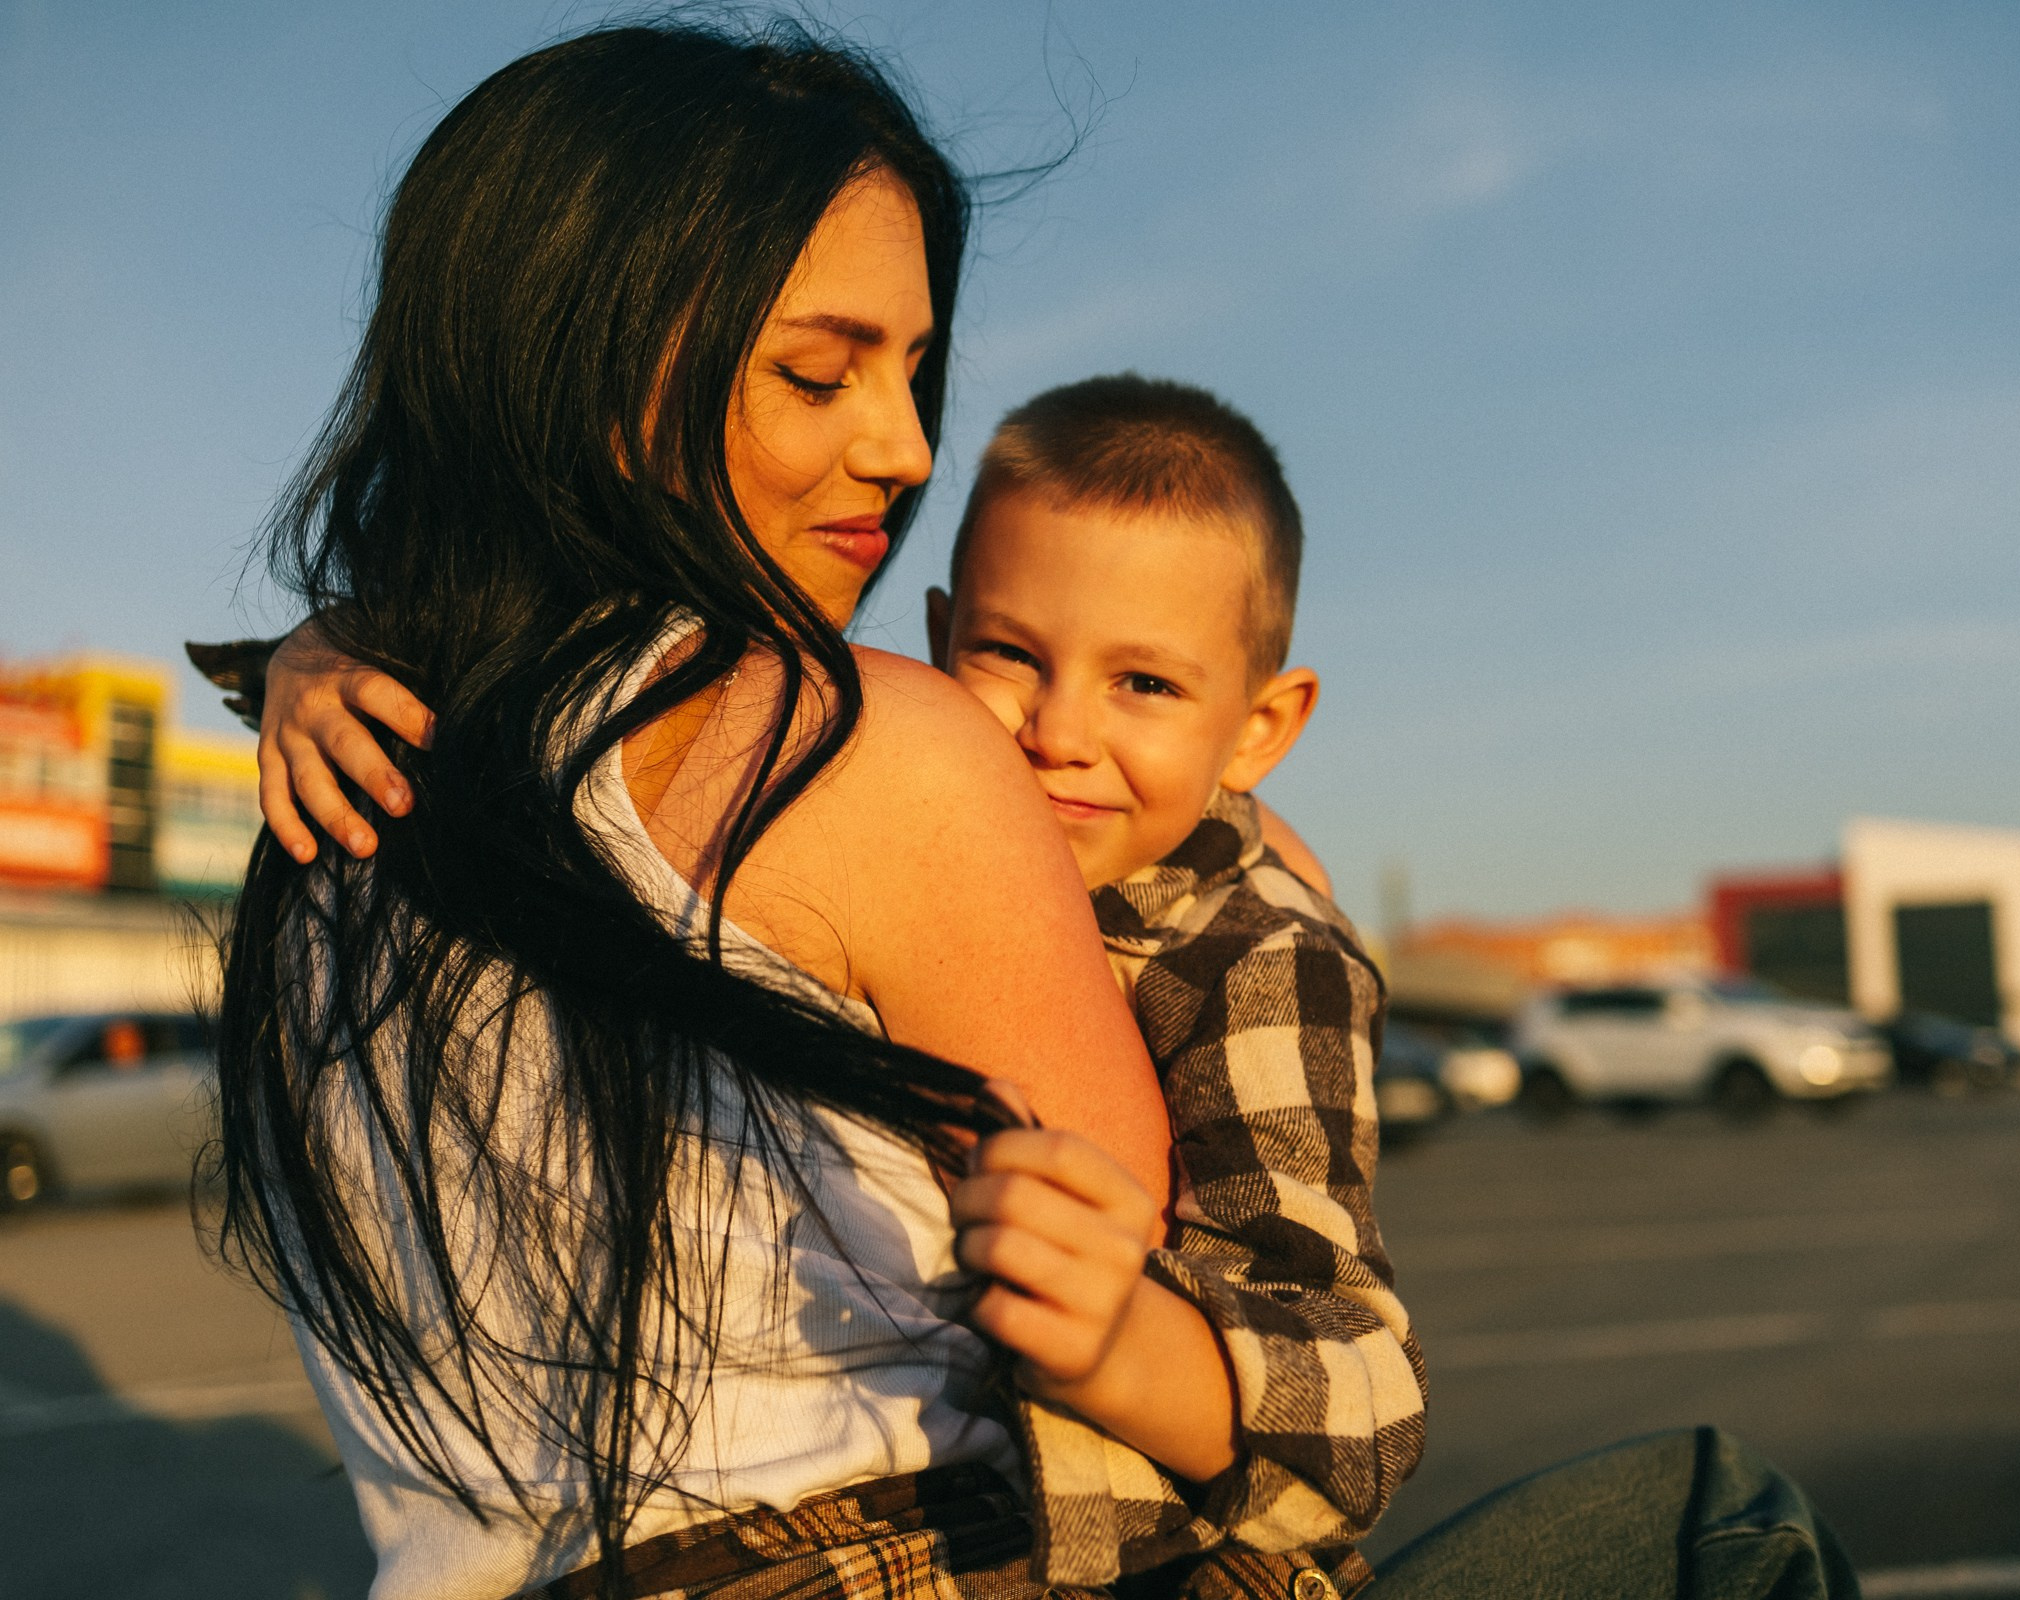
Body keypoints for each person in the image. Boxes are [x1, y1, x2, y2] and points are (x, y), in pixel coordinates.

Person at [201, 22, 1280, 1600]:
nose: (904, 451)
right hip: (900, 1563)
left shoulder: (326, 815)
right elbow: (1134, 1271)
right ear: (569, 345)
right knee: (1703, 1513)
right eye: (815, 371)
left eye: (913, 369)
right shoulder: (866, 746)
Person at [230, 372, 1437, 1594]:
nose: (1059, 728)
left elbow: (1359, 1395)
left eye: (1146, 684)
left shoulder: (1259, 952)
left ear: (1261, 728)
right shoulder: (927, 816)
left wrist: (1127, 1345)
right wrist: (318, 649)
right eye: (1011, 654)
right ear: (936, 634)